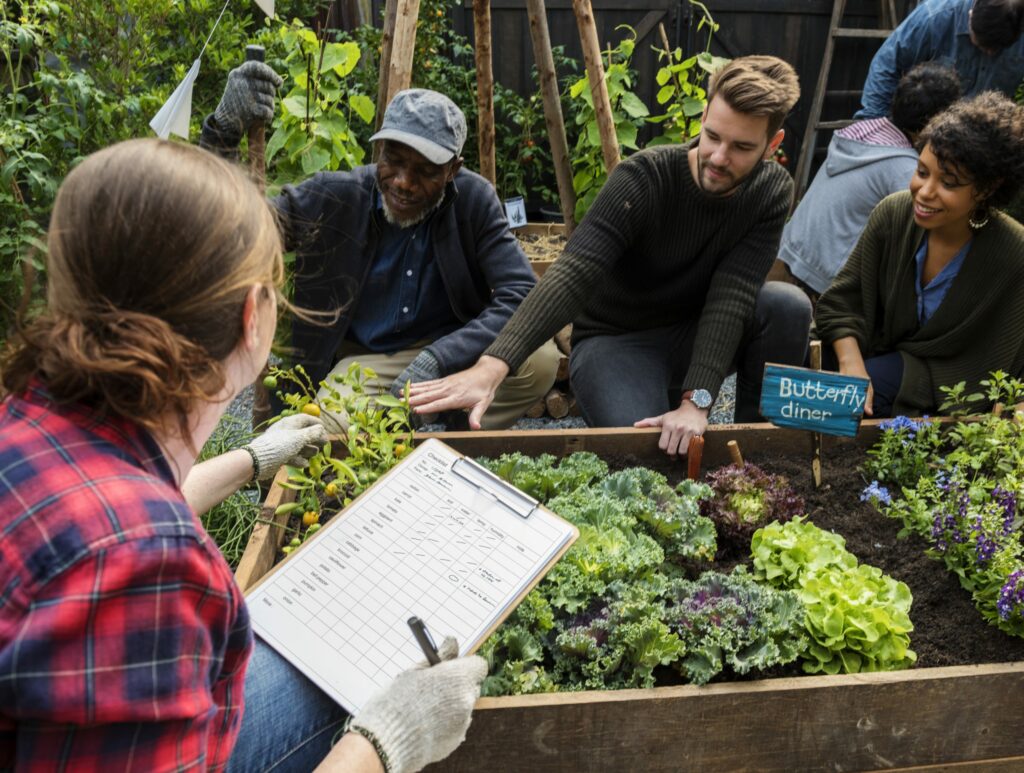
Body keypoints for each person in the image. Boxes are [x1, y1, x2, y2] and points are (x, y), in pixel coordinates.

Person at [0, 138, 486, 772]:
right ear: (252, 318)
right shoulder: (146, 569)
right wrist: (384, 743)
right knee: (351, 681)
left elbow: (88, 515)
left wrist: (251, 460)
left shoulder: (25, 422)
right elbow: (117, 544)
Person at [407, 56, 812, 457]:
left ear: (772, 145)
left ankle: (757, 452)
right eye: (713, 136)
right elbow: (574, 272)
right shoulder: (645, 178)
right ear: (704, 116)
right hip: (616, 344)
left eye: (742, 147)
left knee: (786, 306)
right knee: (646, 457)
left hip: (691, 334)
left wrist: (698, 402)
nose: (720, 158)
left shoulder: (771, 191)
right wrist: (494, 364)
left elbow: (734, 295)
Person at [201, 71, 560, 431]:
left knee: (539, 361)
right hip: (365, 363)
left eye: (425, 170)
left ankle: (440, 428)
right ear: (380, 150)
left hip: (450, 349)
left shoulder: (473, 201)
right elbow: (232, 232)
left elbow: (521, 292)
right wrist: (224, 131)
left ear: (453, 170)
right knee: (326, 428)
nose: (403, 181)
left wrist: (440, 357)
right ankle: (404, 432)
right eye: (394, 160)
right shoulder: (335, 197)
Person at [815, 92, 1024, 418]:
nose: (925, 192)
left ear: (985, 189)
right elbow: (842, 303)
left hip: (945, 378)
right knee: (805, 372)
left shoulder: (1013, 252)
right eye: (923, 172)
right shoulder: (895, 213)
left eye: (949, 183)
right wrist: (851, 364)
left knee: (854, 401)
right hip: (874, 351)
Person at [778, 62, 961, 295]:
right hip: (826, 276)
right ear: (935, 123)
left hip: (795, 250)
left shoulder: (864, 133)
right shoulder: (904, 168)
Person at [856, 0, 1024, 120]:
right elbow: (887, 65)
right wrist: (873, 124)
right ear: (970, 16)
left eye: (996, 49)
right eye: (981, 44)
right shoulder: (934, 17)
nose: (989, 53)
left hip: (977, 141)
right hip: (920, 128)